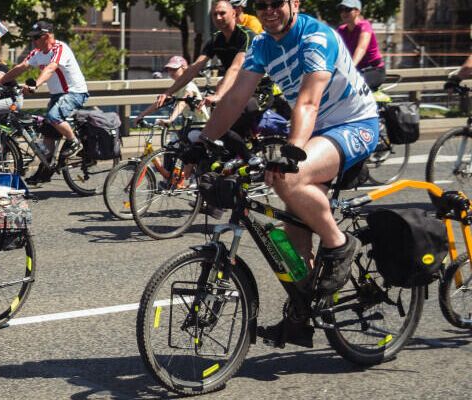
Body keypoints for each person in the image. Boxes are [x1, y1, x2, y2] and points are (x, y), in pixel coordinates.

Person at [183, 0, 379, 347]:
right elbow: (234, 99)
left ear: (295, 4)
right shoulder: (261, 44)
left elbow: (307, 103)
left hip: (352, 125)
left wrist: (292, 151)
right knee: (292, 228)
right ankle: (301, 314)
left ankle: (339, 244)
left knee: (288, 177)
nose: (269, 10)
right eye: (262, 4)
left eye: (277, 3)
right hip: (314, 130)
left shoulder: (315, 37)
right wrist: (202, 142)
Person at [156, 0, 263, 161]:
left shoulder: (247, 36)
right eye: (215, 14)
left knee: (221, 125)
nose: (218, 17)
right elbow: (193, 69)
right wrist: (168, 92)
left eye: (222, 13)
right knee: (215, 130)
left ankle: (251, 159)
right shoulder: (216, 40)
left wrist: (218, 95)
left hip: (259, 90)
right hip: (237, 89)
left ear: (234, 13)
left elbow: (235, 68)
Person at [0, 20, 89, 185]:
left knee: (53, 116)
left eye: (36, 37)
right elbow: (21, 67)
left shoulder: (59, 49)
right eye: (33, 38)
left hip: (74, 92)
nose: (33, 41)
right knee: (47, 133)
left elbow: (50, 69)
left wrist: (35, 84)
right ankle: (45, 171)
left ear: (47, 36)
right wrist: (0, 81)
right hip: (58, 95)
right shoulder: (37, 52)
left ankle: (74, 142)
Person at [134, 56, 207, 134]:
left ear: (184, 68)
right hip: (188, 126)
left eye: (174, 69)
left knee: (184, 141)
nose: (171, 72)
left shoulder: (189, 86)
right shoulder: (177, 87)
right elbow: (160, 102)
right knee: (173, 144)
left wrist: (171, 120)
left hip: (200, 126)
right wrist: (141, 115)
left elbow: (182, 103)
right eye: (169, 69)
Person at [337, 0, 386, 90]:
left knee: (352, 85)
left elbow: (361, 48)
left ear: (357, 11)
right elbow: (335, 50)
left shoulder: (364, 26)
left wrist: (350, 67)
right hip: (356, 71)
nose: (344, 13)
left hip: (374, 70)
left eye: (347, 9)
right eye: (341, 10)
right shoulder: (341, 30)